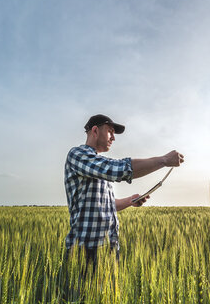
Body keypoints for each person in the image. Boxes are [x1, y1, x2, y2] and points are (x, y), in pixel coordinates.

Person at [63, 114, 184, 271]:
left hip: (108, 249)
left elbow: (104, 205)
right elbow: (118, 169)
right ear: (95, 131)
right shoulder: (78, 155)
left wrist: (129, 201)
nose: (113, 138)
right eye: (110, 131)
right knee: (81, 296)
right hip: (84, 253)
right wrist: (164, 160)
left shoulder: (98, 165)